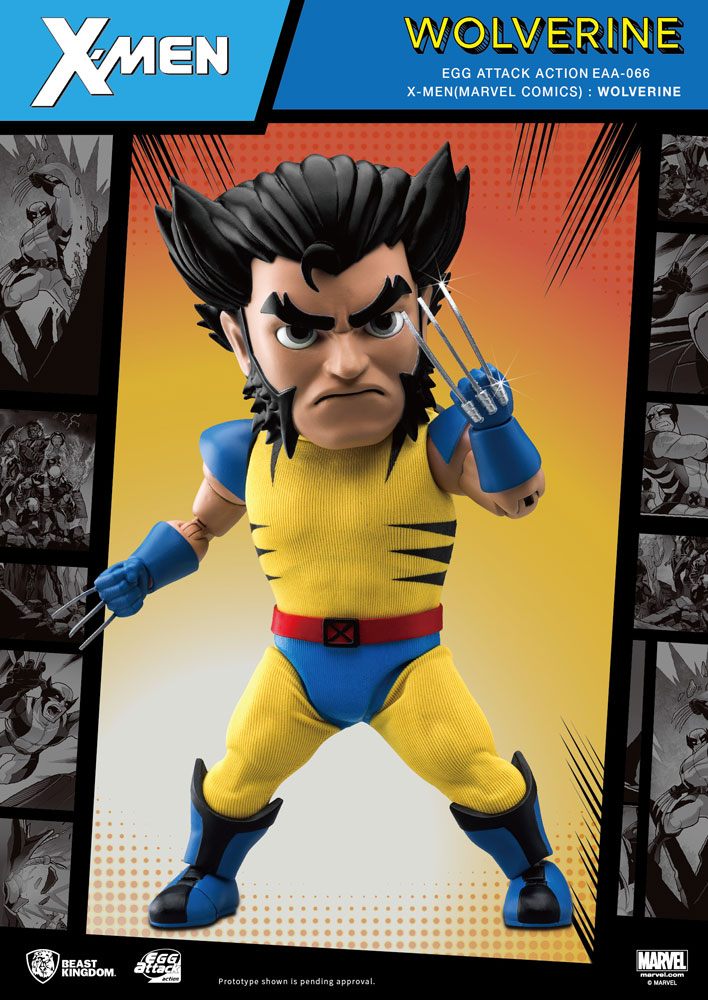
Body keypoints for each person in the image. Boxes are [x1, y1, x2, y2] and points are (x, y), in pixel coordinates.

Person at [82, 145, 572, 931]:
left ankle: (534, 871)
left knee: (472, 766)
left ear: (426, 311)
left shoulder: (437, 446)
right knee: (239, 769)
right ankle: (206, 873)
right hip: (295, 670)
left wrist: (498, 429)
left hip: (410, 668)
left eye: (381, 322)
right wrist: (142, 571)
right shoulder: (245, 455)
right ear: (240, 336)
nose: (346, 364)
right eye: (301, 332)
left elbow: (519, 499)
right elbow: (200, 525)